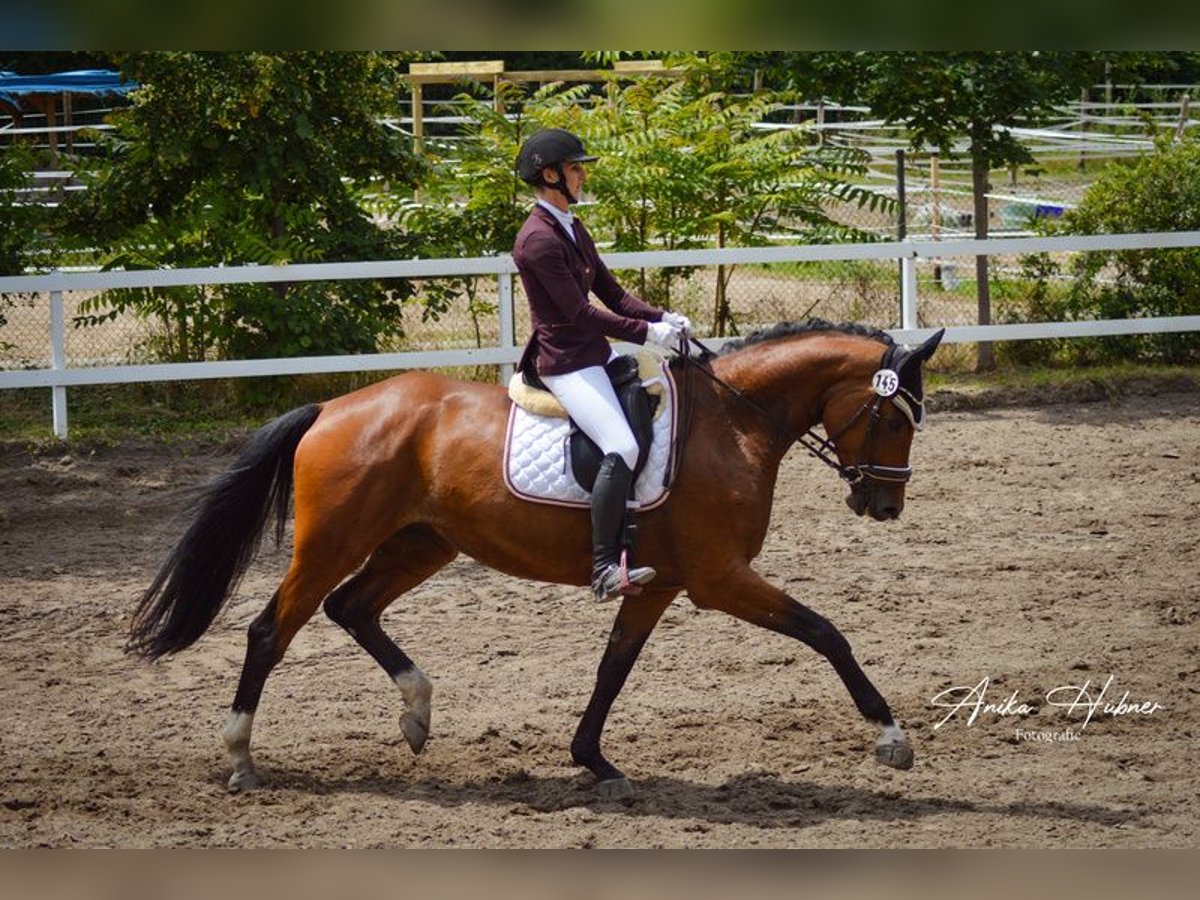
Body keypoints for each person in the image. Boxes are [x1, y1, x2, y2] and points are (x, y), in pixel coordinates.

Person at [512, 128, 690, 602]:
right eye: (575, 168)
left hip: (596, 354)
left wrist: (661, 315)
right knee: (622, 445)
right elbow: (578, 313)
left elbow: (611, 293)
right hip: (566, 362)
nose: (582, 174)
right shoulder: (537, 241)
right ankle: (604, 567)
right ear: (550, 176)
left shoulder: (570, 226)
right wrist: (648, 335)